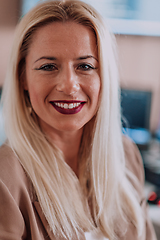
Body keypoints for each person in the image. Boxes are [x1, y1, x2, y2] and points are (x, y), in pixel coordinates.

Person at [0, 0, 157, 239]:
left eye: (85, 65)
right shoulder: (5, 176)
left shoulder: (126, 156)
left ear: (104, 76)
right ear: (22, 78)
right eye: (48, 66)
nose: (69, 86)